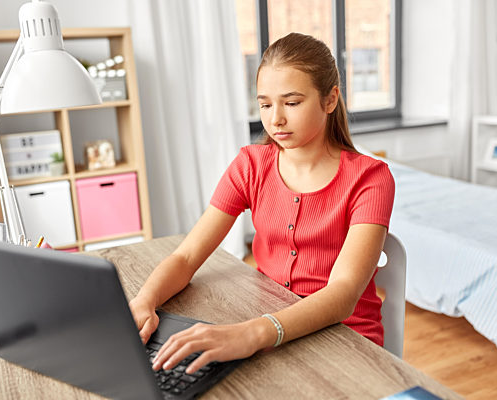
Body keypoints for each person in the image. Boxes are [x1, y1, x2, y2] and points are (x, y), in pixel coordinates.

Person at [130, 32, 395, 375]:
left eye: (292, 102)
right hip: (268, 327)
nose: (275, 120)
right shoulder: (251, 165)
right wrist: (144, 301)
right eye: (266, 104)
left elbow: (343, 294)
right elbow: (186, 256)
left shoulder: (371, 178)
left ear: (330, 99)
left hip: (345, 340)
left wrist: (252, 334)